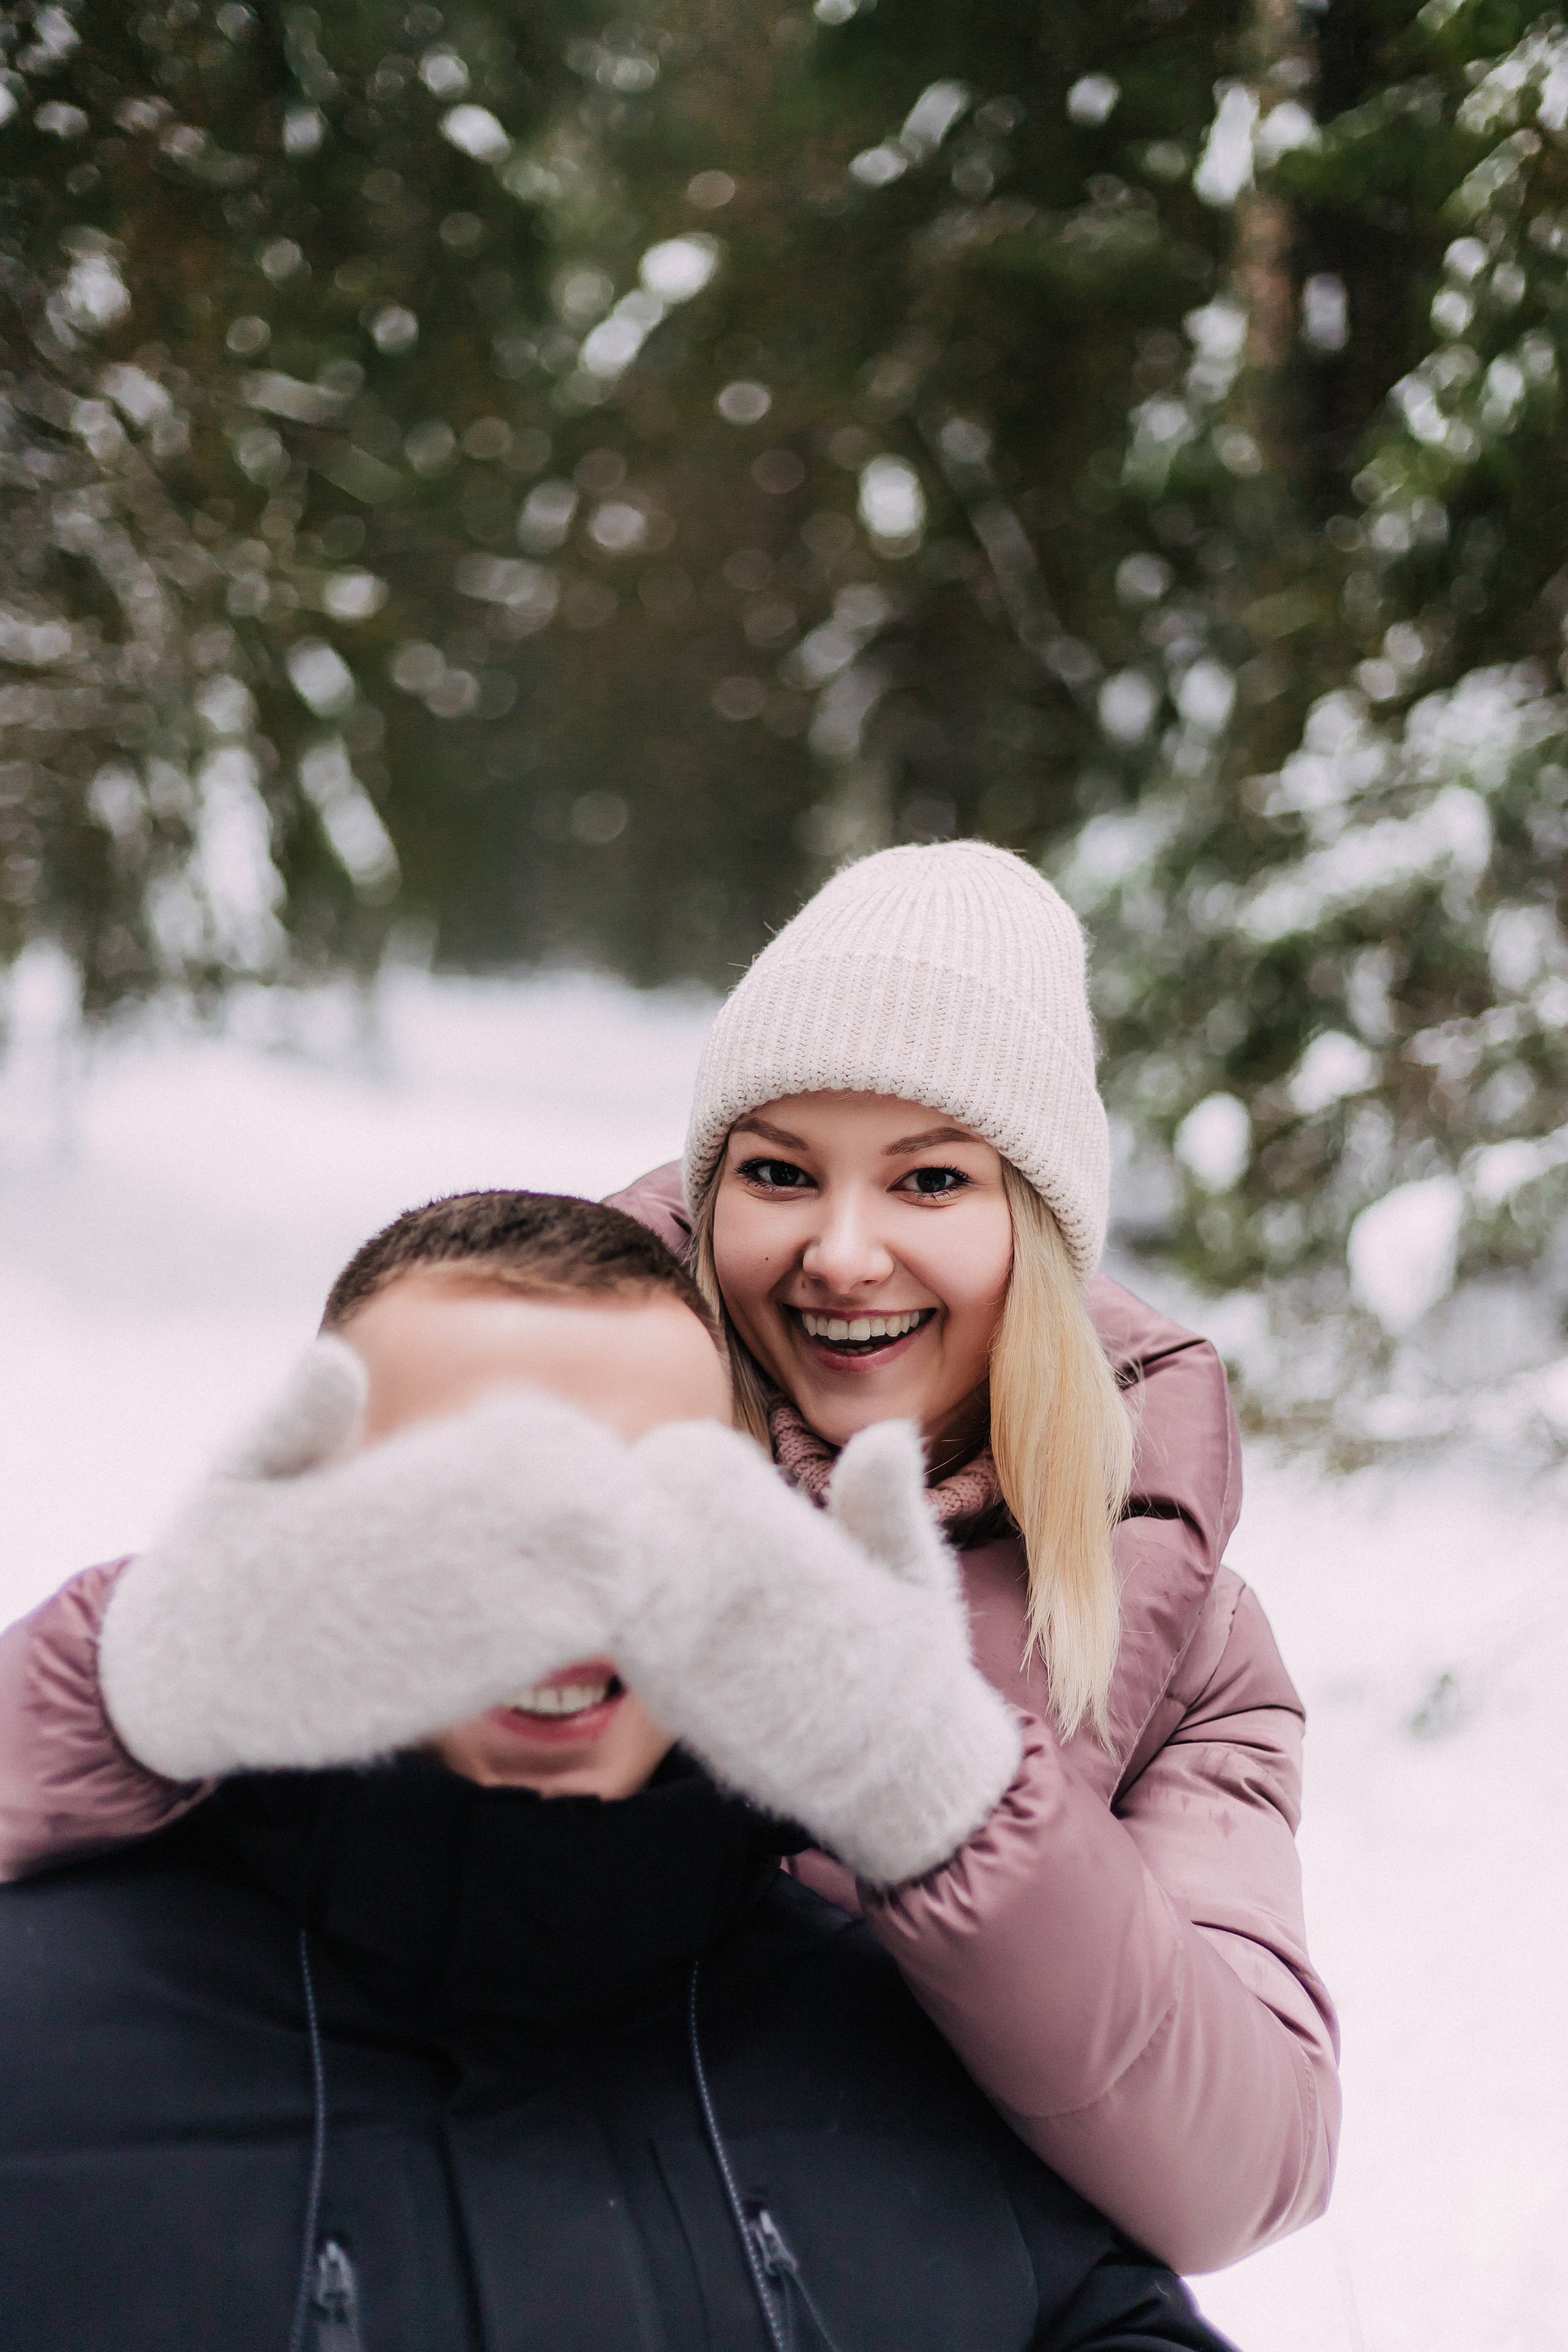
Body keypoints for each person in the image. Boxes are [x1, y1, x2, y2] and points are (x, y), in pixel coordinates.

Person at [0, 842, 1337, 2274]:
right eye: (778, 1172)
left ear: (1035, 1227)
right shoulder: (540, 1390)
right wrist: (143, 1675)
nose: (840, 1252)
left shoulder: (1181, 1629)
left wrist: (938, 1791)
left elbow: (1241, 2170)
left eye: (928, 1182)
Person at [0, 1192, 1240, 2352]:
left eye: (649, 1496)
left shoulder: (933, 2053)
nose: (564, 1585)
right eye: (474, 1485)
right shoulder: (37, 2030)